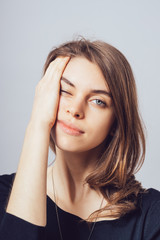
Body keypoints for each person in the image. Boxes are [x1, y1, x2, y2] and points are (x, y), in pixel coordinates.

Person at [0, 38, 160, 240]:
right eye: (64, 91)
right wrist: (37, 126)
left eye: (98, 101)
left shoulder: (151, 215)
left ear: (116, 121)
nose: (75, 110)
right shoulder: (5, 195)